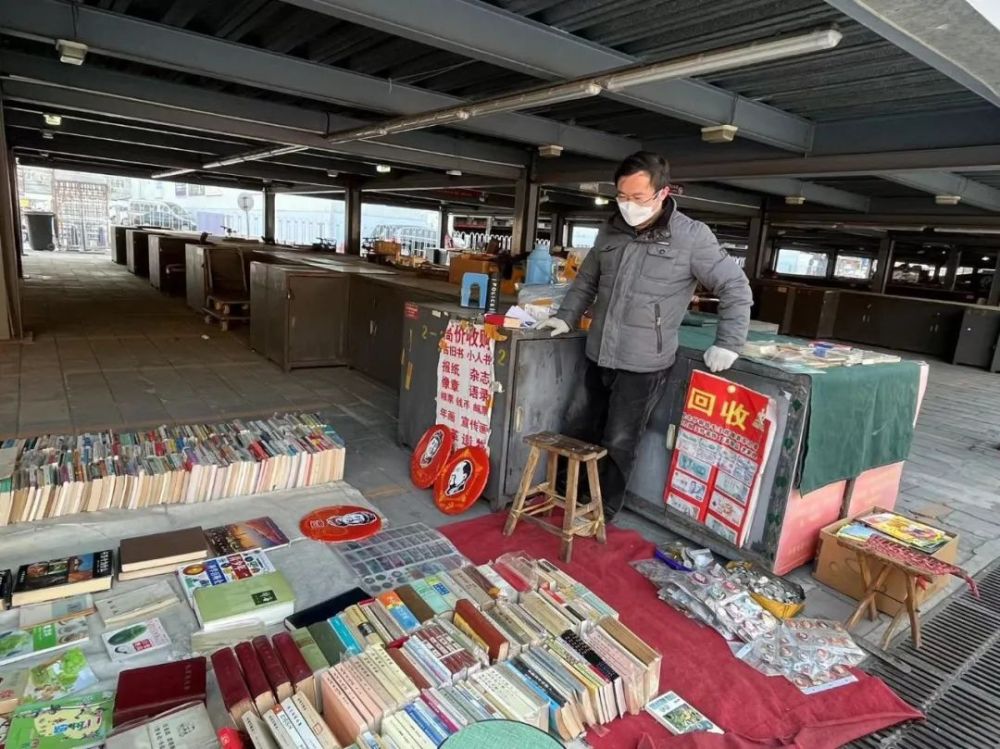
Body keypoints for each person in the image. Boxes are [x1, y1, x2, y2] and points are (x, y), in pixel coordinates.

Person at [537, 151, 752, 520]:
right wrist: (566, 318)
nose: (628, 206)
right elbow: (587, 280)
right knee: (577, 427)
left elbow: (735, 286)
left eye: (637, 198)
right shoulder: (611, 230)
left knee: (619, 440)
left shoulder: (691, 237)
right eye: (621, 197)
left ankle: (599, 512)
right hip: (598, 352)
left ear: (662, 193)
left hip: (643, 363)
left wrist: (728, 342)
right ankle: (563, 496)